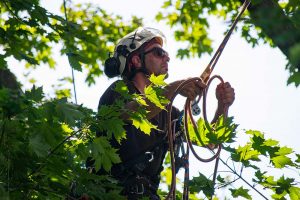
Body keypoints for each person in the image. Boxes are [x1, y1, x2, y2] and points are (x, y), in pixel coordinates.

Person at [98, 27, 235, 199]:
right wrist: (174, 88)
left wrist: (222, 106)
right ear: (136, 60)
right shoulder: (118, 92)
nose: (167, 57)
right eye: (158, 52)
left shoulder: (168, 114)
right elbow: (133, 112)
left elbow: (209, 141)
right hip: (108, 193)